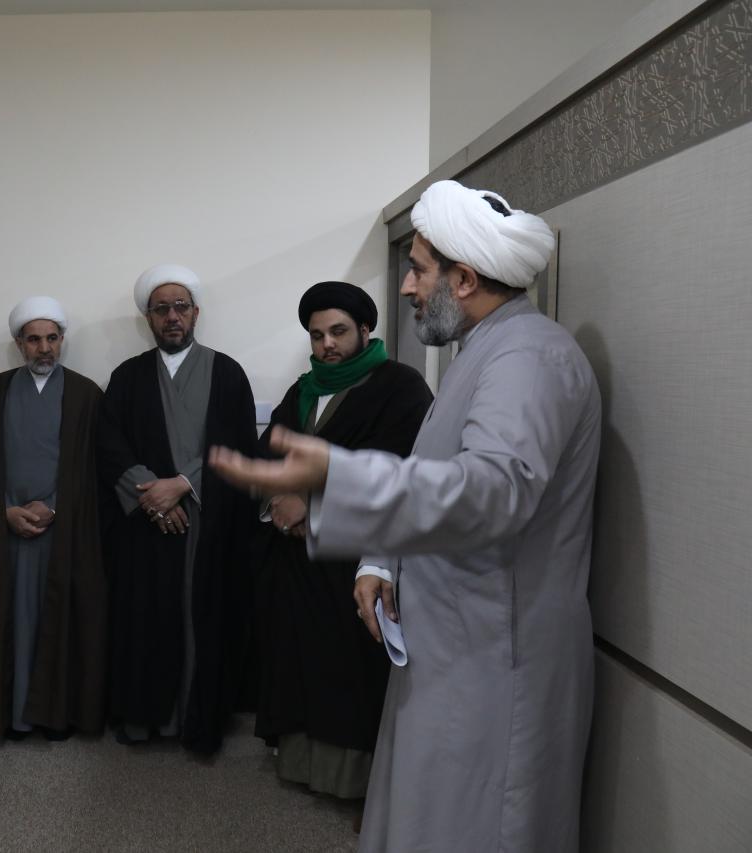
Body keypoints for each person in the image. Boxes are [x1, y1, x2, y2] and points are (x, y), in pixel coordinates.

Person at [209, 180, 600, 852]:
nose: (408, 287)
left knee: (474, 827)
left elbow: (492, 493)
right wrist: (381, 560)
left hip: (496, 655)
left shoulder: (527, 359)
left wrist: (334, 475)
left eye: (418, 269)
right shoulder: (484, 349)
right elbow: (436, 469)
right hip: (451, 639)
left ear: (464, 279)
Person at [254, 282, 431, 806]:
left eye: (338, 332)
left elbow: (402, 470)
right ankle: (302, 764)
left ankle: (354, 781)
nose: (327, 344)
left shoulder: (400, 387)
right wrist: (280, 501)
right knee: (299, 663)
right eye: (317, 335)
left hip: (358, 561)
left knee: (348, 671)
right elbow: (267, 455)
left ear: (365, 330)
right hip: (297, 562)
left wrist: (312, 506)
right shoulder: (304, 390)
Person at [98, 264, 257, 753]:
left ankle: (198, 719)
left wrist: (184, 484)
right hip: (146, 525)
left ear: (196, 313)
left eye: (181, 307)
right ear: (148, 317)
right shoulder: (126, 377)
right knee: (146, 621)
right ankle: (147, 718)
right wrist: (152, 495)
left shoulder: (227, 373)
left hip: (210, 523)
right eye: (162, 309)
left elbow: (240, 445)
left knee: (204, 617)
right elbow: (109, 445)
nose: (172, 317)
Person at [0, 297, 106, 741]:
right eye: (34, 339)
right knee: (12, 621)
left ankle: (55, 717)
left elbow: (95, 470)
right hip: (5, 531)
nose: (44, 348)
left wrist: (55, 506)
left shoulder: (85, 394)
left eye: (52, 338)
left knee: (60, 620)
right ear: (19, 343)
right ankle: (14, 715)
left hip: (65, 533)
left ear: (62, 340)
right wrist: (2, 510)